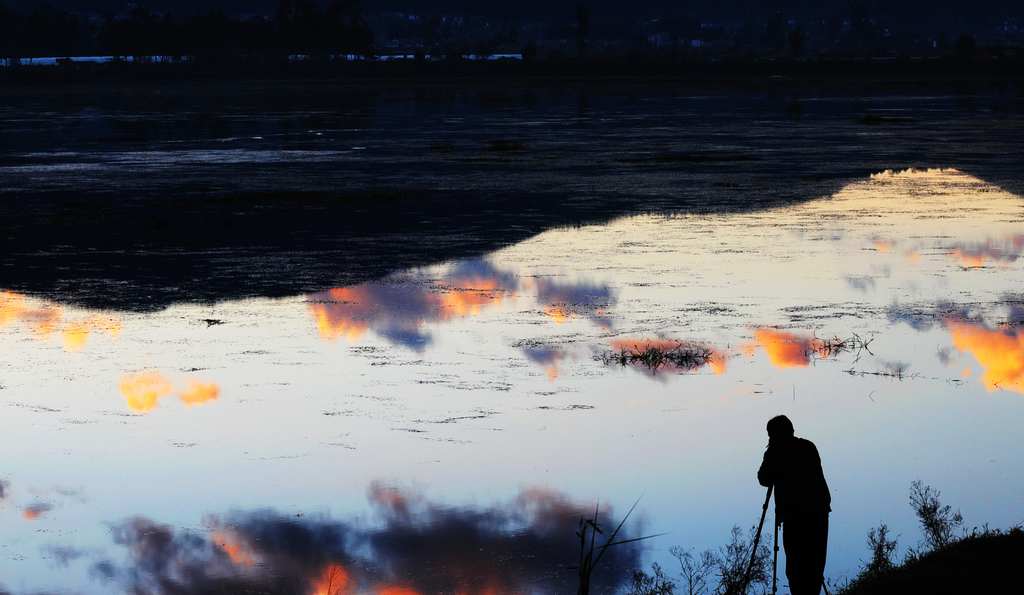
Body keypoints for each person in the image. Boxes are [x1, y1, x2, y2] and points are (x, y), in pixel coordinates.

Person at [757, 415, 830, 595]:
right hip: (818, 513)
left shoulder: (776, 453)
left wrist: (770, 453)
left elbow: (763, 478)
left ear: (774, 435)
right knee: (815, 564)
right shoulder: (808, 446)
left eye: (770, 435)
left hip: (795, 517)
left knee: (795, 567)